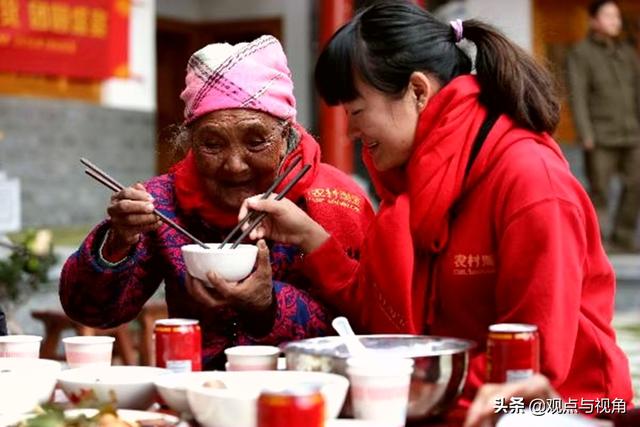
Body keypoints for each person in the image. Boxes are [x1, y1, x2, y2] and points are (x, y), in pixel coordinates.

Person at [238, 0, 632, 410]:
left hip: (570, 408)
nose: (352, 131)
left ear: (418, 91)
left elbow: (531, 365)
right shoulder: (414, 184)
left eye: (357, 111)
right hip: (458, 401)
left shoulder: (530, 181)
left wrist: (397, 391)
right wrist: (308, 236)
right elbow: (384, 313)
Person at [59, 35, 374, 369]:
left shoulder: (337, 202)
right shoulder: (162, 203)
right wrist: (118, 242)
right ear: (190, 143)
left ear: (286, 136)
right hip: (195, 393)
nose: (234, 164)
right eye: (212, 144)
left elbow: (367, 328)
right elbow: (90, 311)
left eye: (256, 141)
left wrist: (269, 305)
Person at [567, 0, 640, 252]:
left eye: (617, 16)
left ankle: (623, 236)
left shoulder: (627, 52)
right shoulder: (580, 52)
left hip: (632, 133)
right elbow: (578, 95)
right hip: (599, 135)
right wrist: (585, 133)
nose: (615, 21)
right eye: (608, 15)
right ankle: (598, 245)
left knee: (636, 184)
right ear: (594, 20)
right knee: (599, 191)